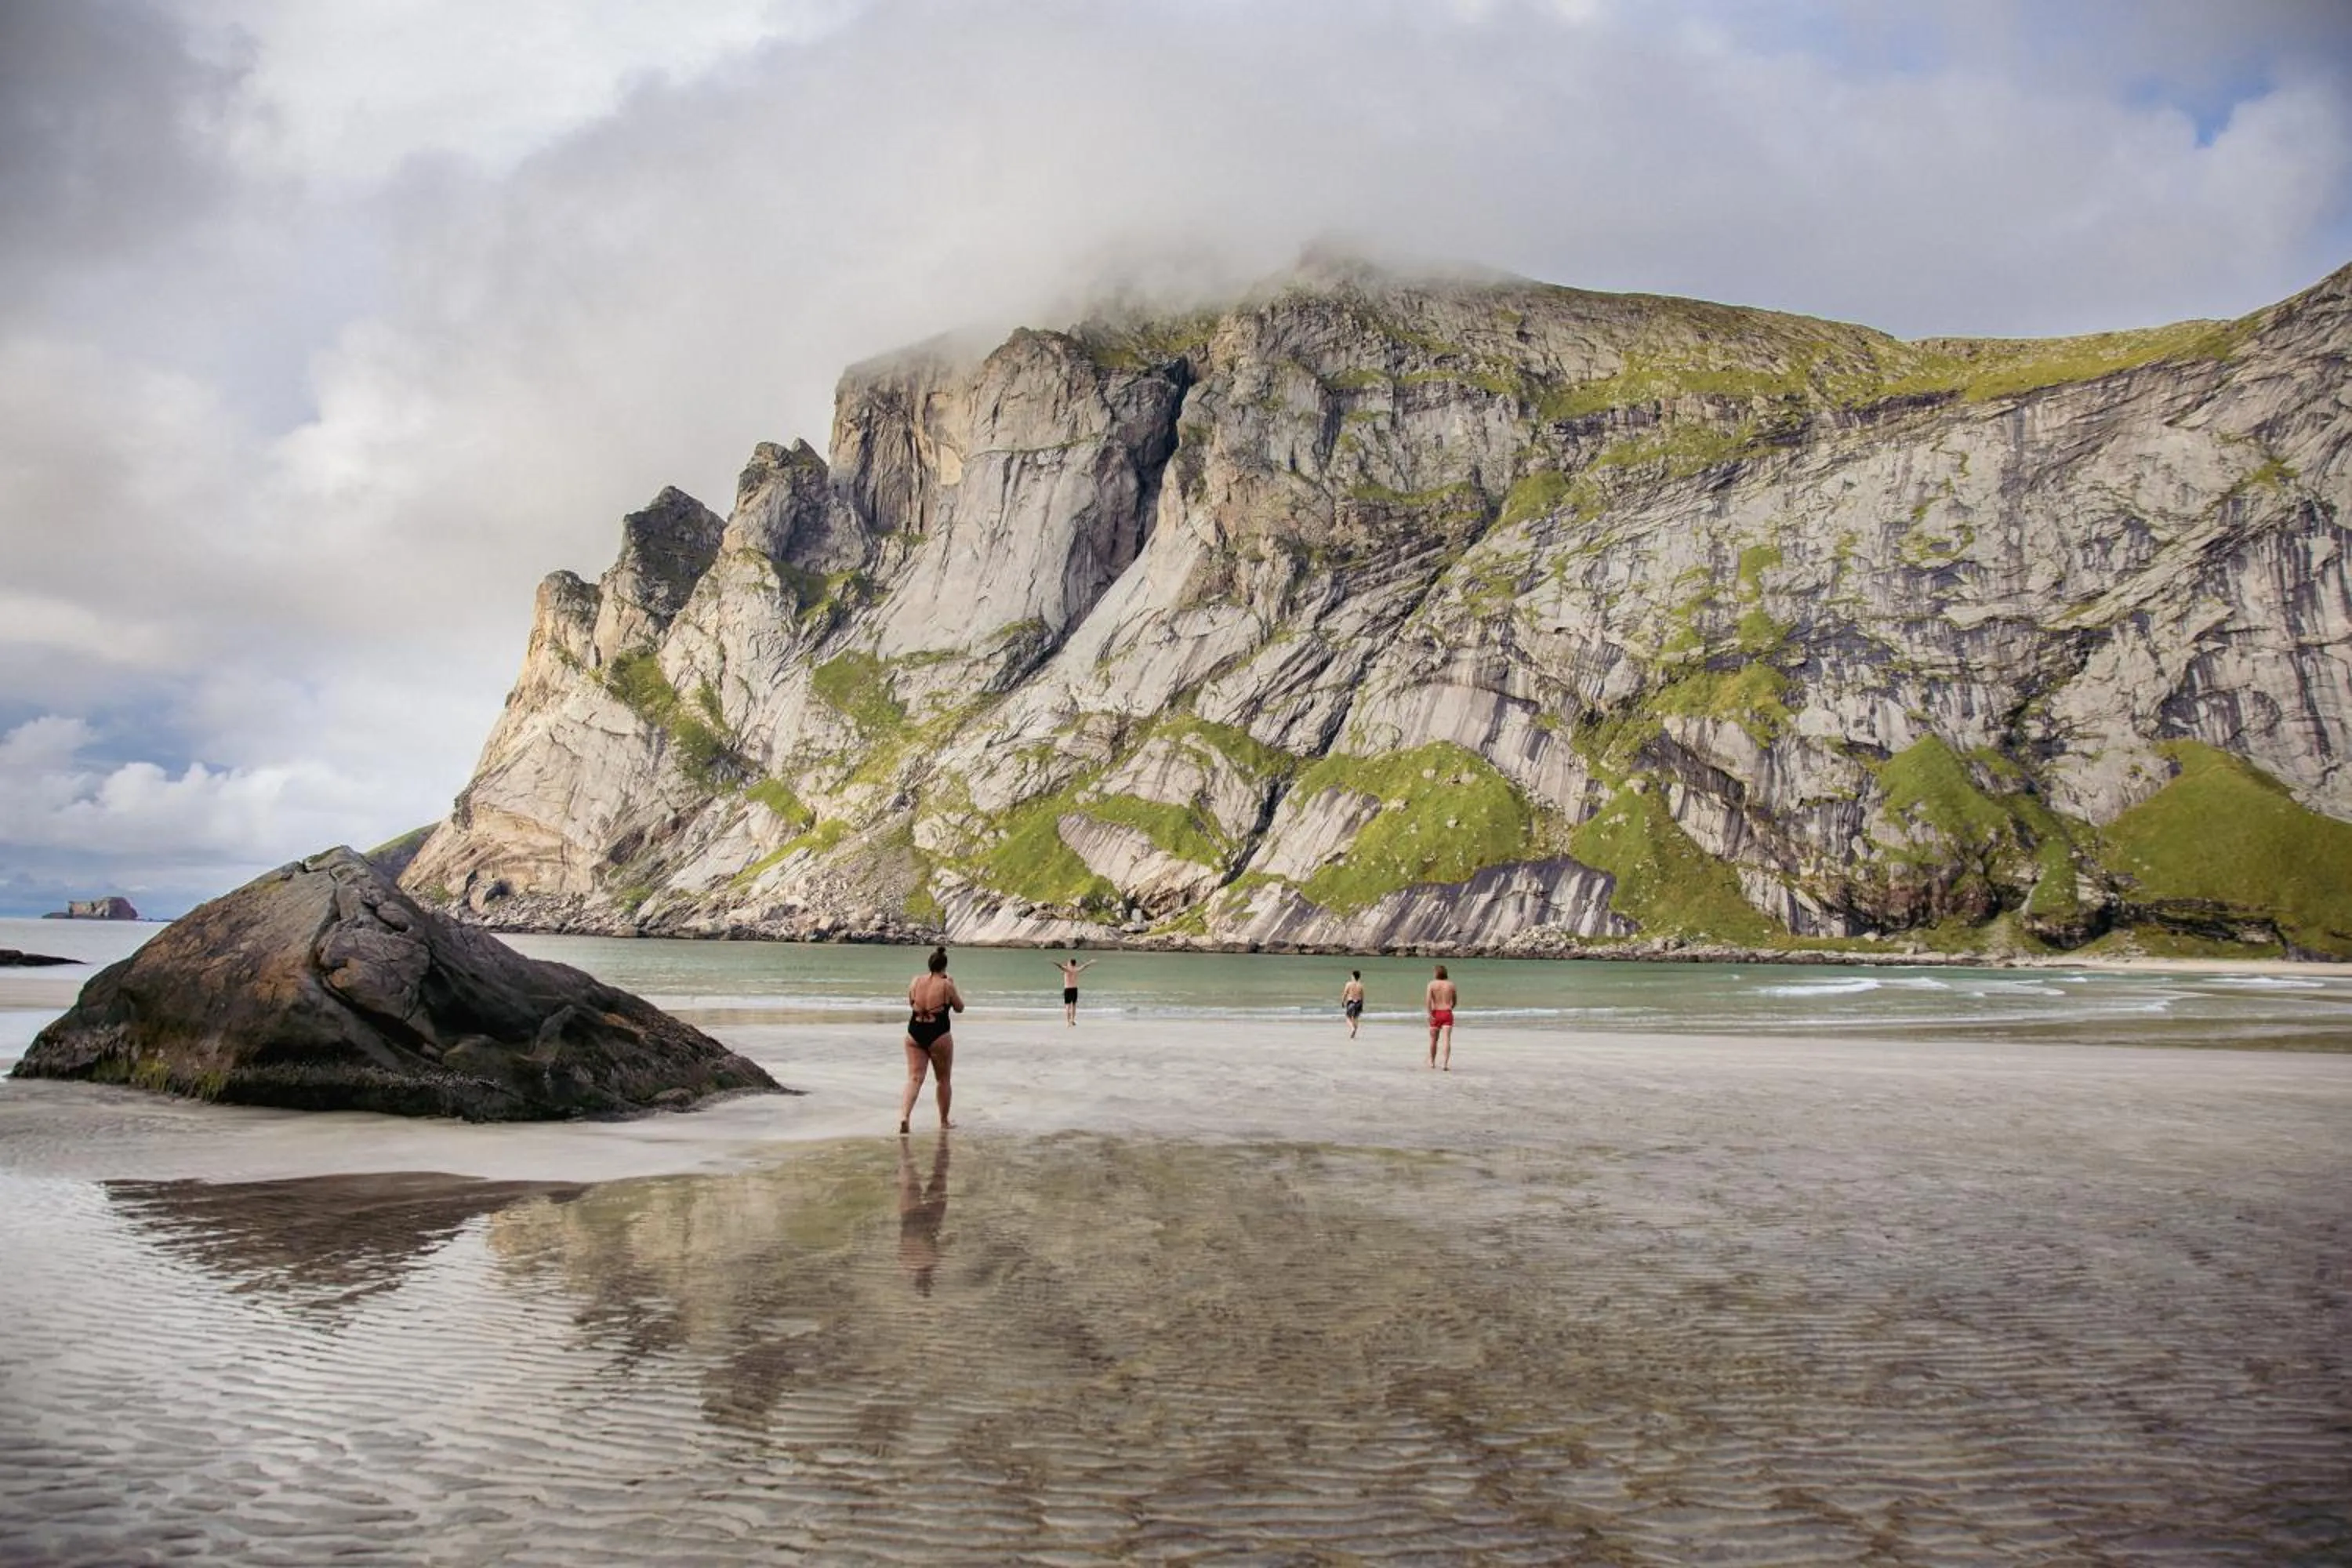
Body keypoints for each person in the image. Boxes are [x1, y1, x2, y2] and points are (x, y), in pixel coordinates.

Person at [899, 946, 964, 1134]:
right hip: (938, 1033)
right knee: (943, 1079)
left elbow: (911, 1002)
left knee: (914, 1078)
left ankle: (905, 1116)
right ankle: (944, 1121)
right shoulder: (946, 985)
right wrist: (951, 984)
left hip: (915, 1031)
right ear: (944, 966)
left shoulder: (915, 981)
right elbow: (959, 1007)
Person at [897, 1130, 950, 1297]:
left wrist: (953, 1238)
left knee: (939, 1177)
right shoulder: (904, 1263)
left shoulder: (932, 1261)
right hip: (908, 1217)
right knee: (909, 1180)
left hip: (930, 1220)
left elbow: (943, 1243)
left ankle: (942, 1146)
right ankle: (904, 1148)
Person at [1425, 964, 1457, 1070]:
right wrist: (1449, 1009)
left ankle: (1432, 1063)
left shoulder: (1432, 984)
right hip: (1447, 1012)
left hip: (1436, 1012)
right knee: (1447, 1039)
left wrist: (1429, 1014)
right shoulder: (1451, 985)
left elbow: (1428, 1001)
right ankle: (1445, 1064)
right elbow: (1455, 1002)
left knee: (1433, 1040)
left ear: (1436, 973)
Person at [1054, 955, 1096, 1026]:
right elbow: (1085, 966)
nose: (1067, 963)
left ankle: (1068, 1022)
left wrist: (1053, 962)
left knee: (1068, 1006)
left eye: (1068, 962)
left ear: (1070, 963)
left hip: (1067, 989)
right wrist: (1091, 962)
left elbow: (1060, 966)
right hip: (1074, 989)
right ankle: (1072, 1020)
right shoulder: (1077, 969)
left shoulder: (1067, 969)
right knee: (1074, 1006)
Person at [1341, 969, 1366, 1038]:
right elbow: (1362, 996)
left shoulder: (1349, 984)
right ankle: (1354, 1034)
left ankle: (1352, 1028)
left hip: (1351, 1002)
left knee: (1348, 1017)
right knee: (1356, 1018)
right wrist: (1362, 1005)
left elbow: (1345, 993)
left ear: (1353, 976)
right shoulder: (1361, 985)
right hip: (1358, 1002)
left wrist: (1343, 1001)